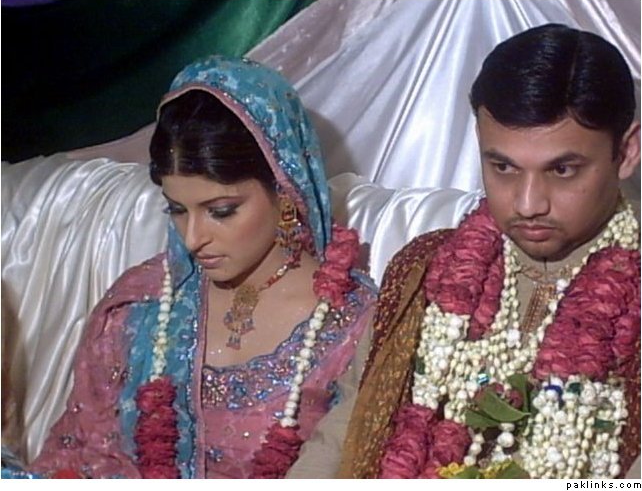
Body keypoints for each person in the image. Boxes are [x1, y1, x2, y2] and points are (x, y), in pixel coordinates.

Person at [15, 55, 376, 478]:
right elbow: (76, 455)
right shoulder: (141, 305)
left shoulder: (352, 324)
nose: (192, 238)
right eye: (177, 209)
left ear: (284, 189)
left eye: (220, 211)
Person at [330, 24, 640, 479]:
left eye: (563, 170)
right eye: (503, 167)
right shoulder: (426, 273)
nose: (528, 204)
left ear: (627, 152)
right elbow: (344, 430)